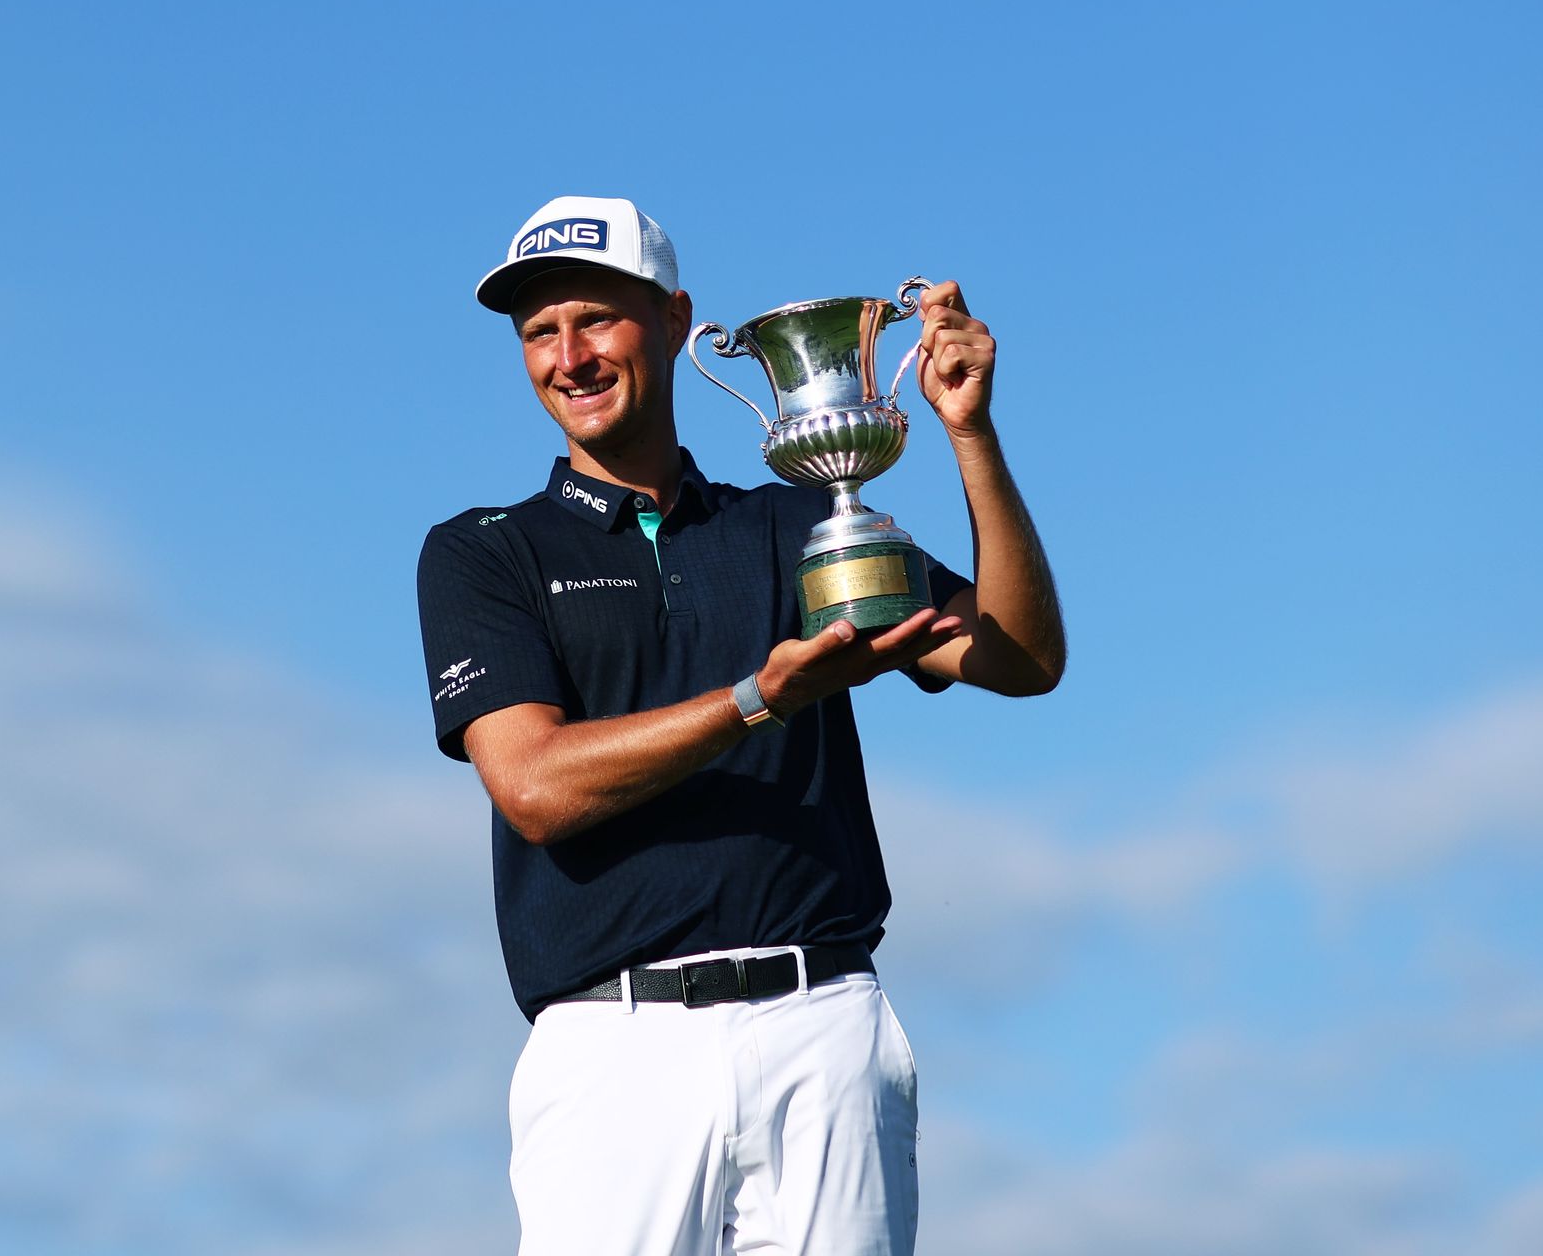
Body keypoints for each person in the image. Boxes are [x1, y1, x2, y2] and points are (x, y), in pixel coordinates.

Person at [415, 195, 1065, 1256]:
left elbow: (1019, 657)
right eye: (540, 332)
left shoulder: (801, 521)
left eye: (597, 320)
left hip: (824, 1028)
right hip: (609, 1049)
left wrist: (970, 434)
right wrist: (758, 699)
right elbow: (535, 786)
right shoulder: (485, 551)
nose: (570, 357)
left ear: (676, 322)